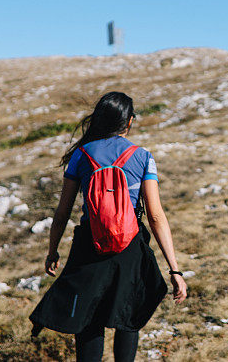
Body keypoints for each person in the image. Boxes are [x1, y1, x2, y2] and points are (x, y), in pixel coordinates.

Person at [29, 92, 187, 362]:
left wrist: (52, 250)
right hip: (130, 247)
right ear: (130, 122)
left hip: (89, 246)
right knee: (128, 316)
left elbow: (63, 211)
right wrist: (175, 269)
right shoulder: (143, 156)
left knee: (90, 319)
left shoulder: (81, 156)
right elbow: (156, 216)